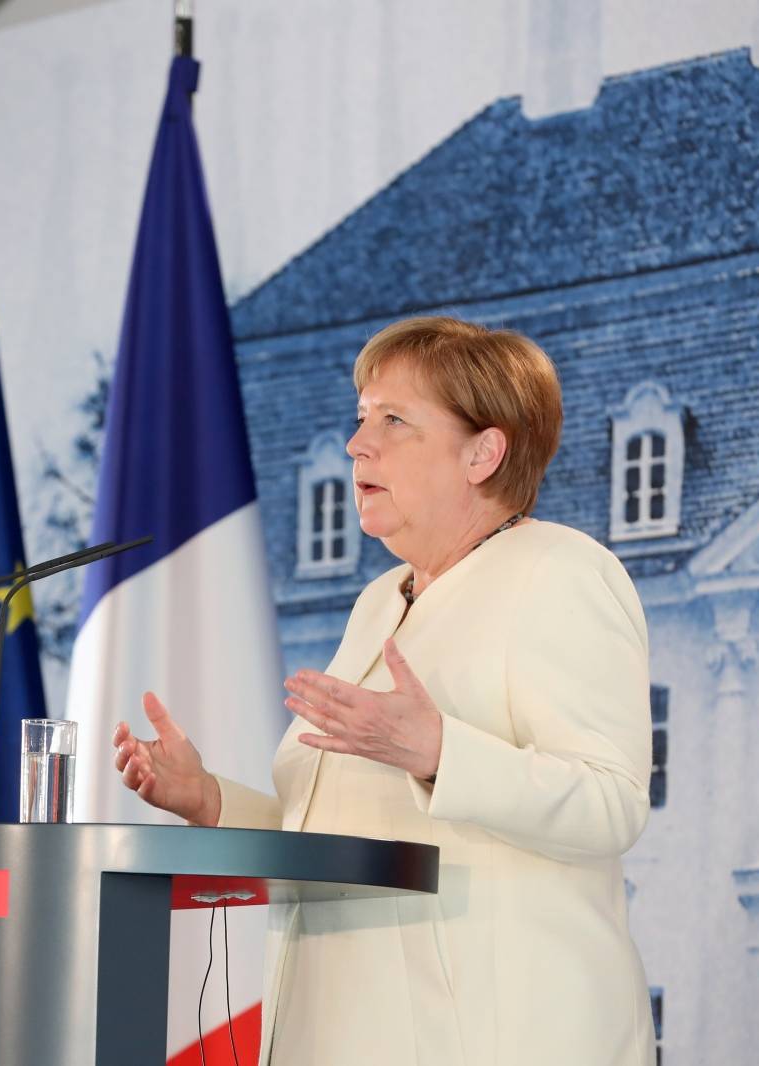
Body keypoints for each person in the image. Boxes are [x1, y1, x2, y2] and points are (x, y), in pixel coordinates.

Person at [112, 317, 656, 1065]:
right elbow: (342, 844)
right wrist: (209, 801)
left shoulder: (561, 572)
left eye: (394, 420)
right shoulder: (379, 601)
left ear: (483, 452)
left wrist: (439, 754)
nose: (356, 443)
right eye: (361, 417)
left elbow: (612, 802)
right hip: (332, 1032)